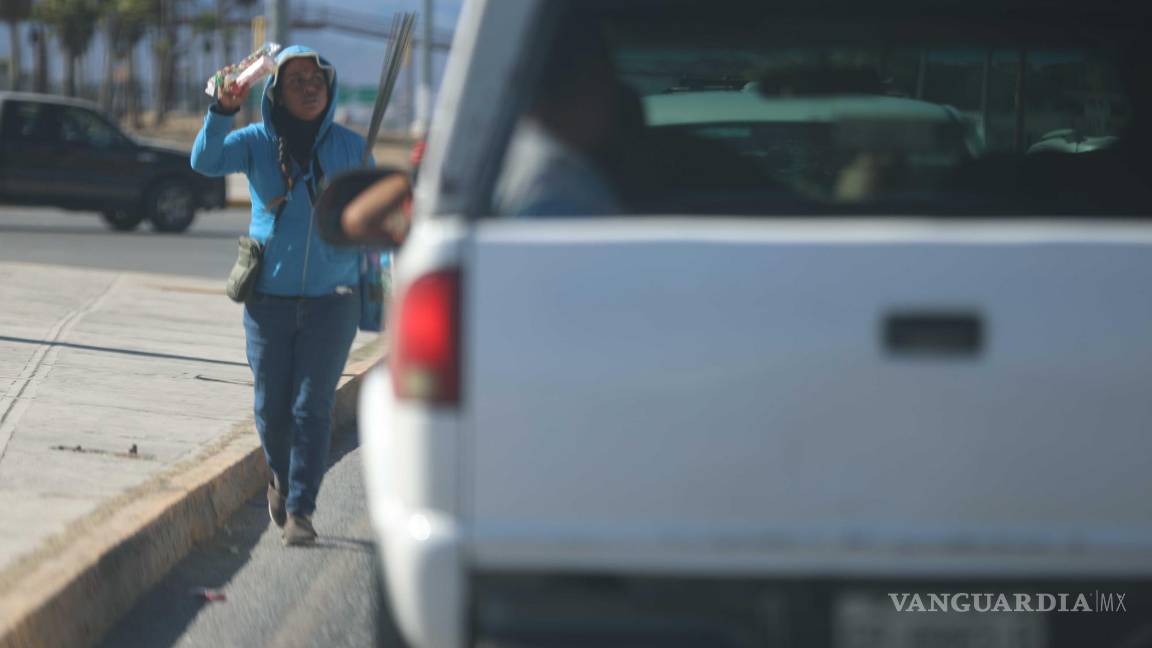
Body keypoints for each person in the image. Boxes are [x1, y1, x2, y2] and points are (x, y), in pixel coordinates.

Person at [191, 46, 371, 546]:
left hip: (334, 299)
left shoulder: (353, 149)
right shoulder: (253, 142)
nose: (310, 86)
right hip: (267, 299)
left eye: (317, 77)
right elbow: (204, 162)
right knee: (272, 408)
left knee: (312, 408)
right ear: (276, 92)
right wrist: (222, 111)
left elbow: (376, 225)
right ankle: (280, 476)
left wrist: (378, 292)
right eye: (297, 80)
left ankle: (300, 509)